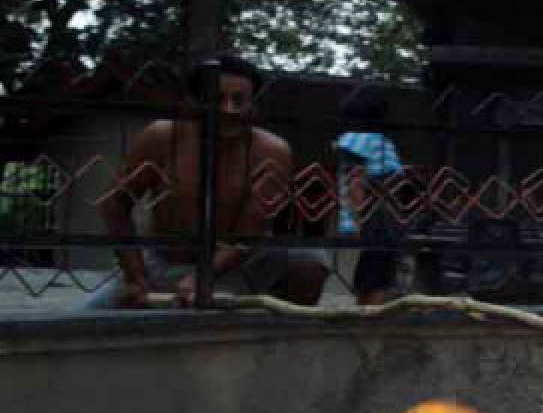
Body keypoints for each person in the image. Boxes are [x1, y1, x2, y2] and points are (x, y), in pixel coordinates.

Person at [84, 55, 328, 308]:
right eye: (216, 99)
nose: (228, 109)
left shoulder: (271, 151)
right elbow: (115, 204)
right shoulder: (163, 137)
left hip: (235, 265)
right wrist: (135, 275)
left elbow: (250, 231)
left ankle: (279, 337)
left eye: (239, 101)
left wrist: (202, 278)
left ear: (253, 104)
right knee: (82, 326)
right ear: (194, 102)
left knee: (308, 259)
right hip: (162, 264)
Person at [335, 88, 404, 305]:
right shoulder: (372, 142)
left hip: (369, 212)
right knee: (379, 271)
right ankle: (371, 313)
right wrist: (357, 220)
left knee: (371, 266)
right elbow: (357, 180)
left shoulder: (351, 140)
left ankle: (365, 308)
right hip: (377, 215)